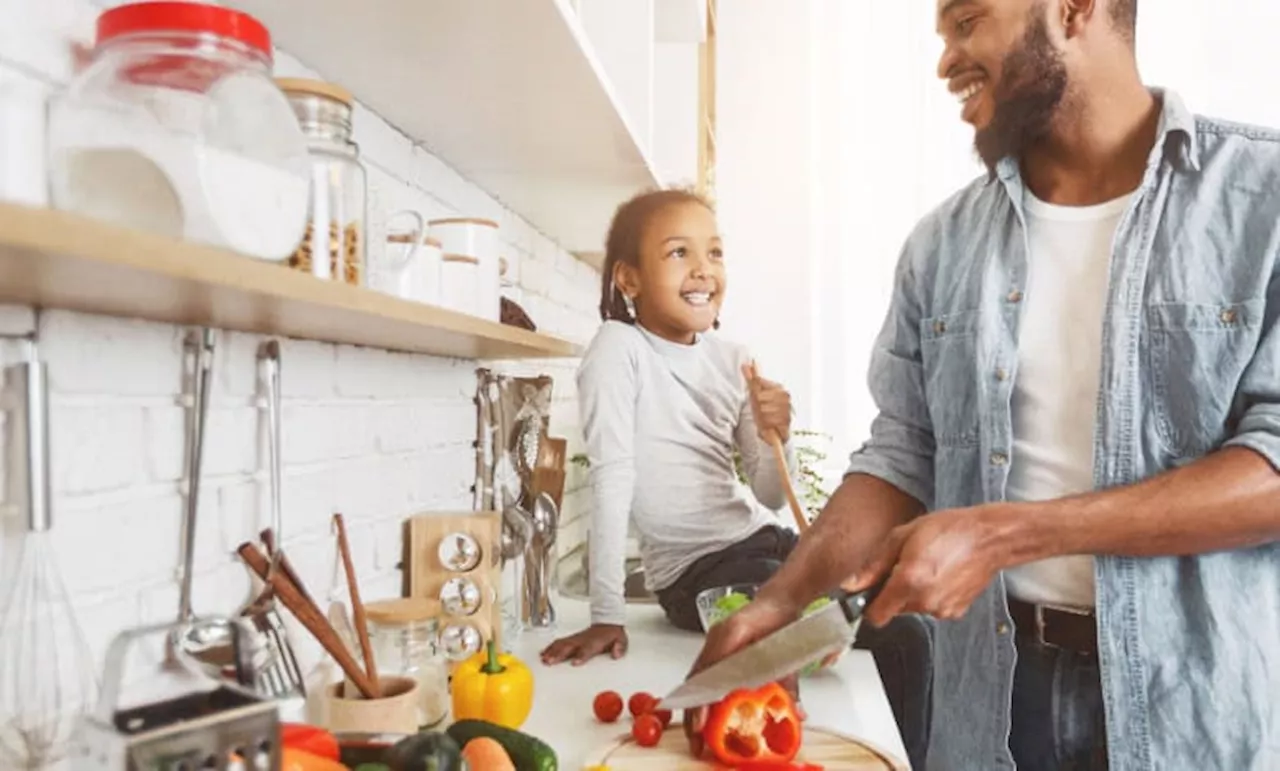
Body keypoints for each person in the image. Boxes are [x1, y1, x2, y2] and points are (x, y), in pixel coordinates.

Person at [683, 1, 1280, 770]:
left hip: (1196, 710)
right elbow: (901, 455)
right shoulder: (941, 246)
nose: (945, 59)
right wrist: (780, 602)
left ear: (1073, 9)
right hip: (994, 706)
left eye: (966, 22)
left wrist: (1004, 532)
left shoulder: (1261, 202)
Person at [539, 188, 803, 666]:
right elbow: (612, 477)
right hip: (695, 574)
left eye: (715, 252)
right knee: (810, 605)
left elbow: (771, 496)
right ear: (629, 278)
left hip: (763, 539)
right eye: (679, 252)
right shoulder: (620, 349)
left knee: (895, 612)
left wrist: (778, 435)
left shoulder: (734, 359)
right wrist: (606, 614)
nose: (704, 269)